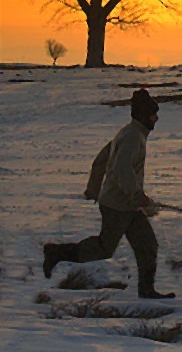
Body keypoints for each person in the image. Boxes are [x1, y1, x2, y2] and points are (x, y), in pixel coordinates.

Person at [43, 89, 175, 299]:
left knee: (148, 245)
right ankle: (56, 253)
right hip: (117, 205)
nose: (156, 118)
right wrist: (137, 195)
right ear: (142, 115)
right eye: (153, 114)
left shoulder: (131, 133)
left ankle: (147, 290)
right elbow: (123, 169)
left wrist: (96, 190)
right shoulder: (132, 137)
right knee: (103, 249)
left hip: (128, 204)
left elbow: (102, 160)